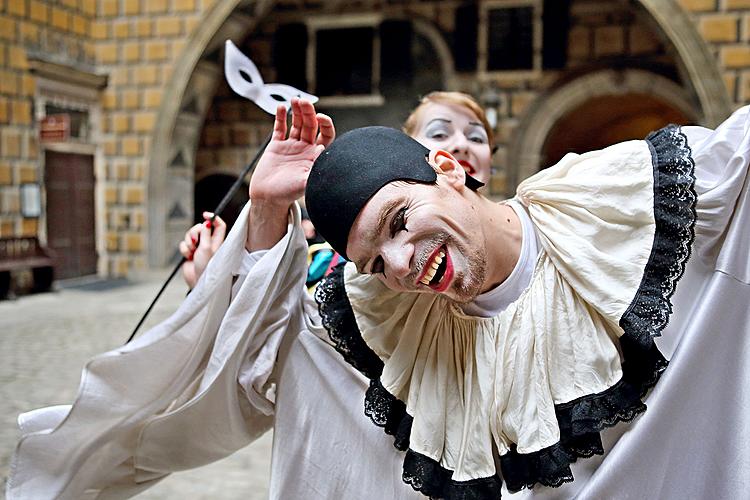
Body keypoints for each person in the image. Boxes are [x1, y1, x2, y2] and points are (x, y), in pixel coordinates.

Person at [8, 98, 750, 500]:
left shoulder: (615, 206)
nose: (400, 263)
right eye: (375, 257)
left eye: (399, 220)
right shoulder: (386, 325)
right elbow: (244, 371)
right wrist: (265, 214)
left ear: (448, 168)